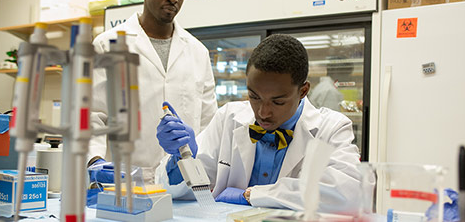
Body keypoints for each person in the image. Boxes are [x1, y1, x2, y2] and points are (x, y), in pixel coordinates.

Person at [154, 34, 362, 213]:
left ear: (303, 91)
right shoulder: (229, 117)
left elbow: (346, 193)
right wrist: (181, 158)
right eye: (254, 97)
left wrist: (251, 195)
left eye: (278, 101)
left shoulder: (332, 128)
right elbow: (188, 190)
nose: (263, 112)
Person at [89, 0, 217, 182]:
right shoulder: (106, 45)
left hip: (183, 181)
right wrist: (94, 160)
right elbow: (92, 114)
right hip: (123, 179)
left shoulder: (198, 52)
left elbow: (209, 123)